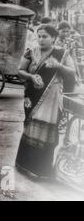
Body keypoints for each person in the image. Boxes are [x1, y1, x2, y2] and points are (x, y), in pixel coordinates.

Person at [16, 24, 76, 179]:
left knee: (47, 130)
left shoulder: (61, 53)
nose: (41, 39)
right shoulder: (31, 52)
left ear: (54, 38)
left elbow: (72, 72)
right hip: (32, 95)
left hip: (52, 97)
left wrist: (58, 66)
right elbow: (20, 71)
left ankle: (41, 170)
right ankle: (24, 164)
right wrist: (30, 77)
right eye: (39, 36)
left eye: (45, 36)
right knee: (30, 126)